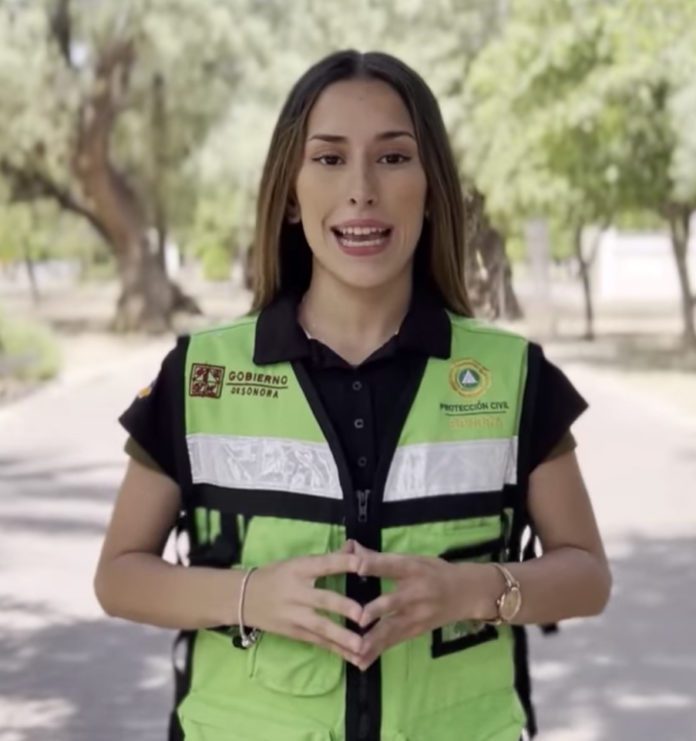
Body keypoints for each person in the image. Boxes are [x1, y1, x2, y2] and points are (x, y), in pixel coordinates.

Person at [94, 49, 612, 741]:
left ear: (432, 188)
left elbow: (587, 576)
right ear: (290, 193)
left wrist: (470, 590)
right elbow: (119, 576)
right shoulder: (200, 374)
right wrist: (249, 596)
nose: (362, 189)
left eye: (393, 158)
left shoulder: (512, 374)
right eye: (329, 158)